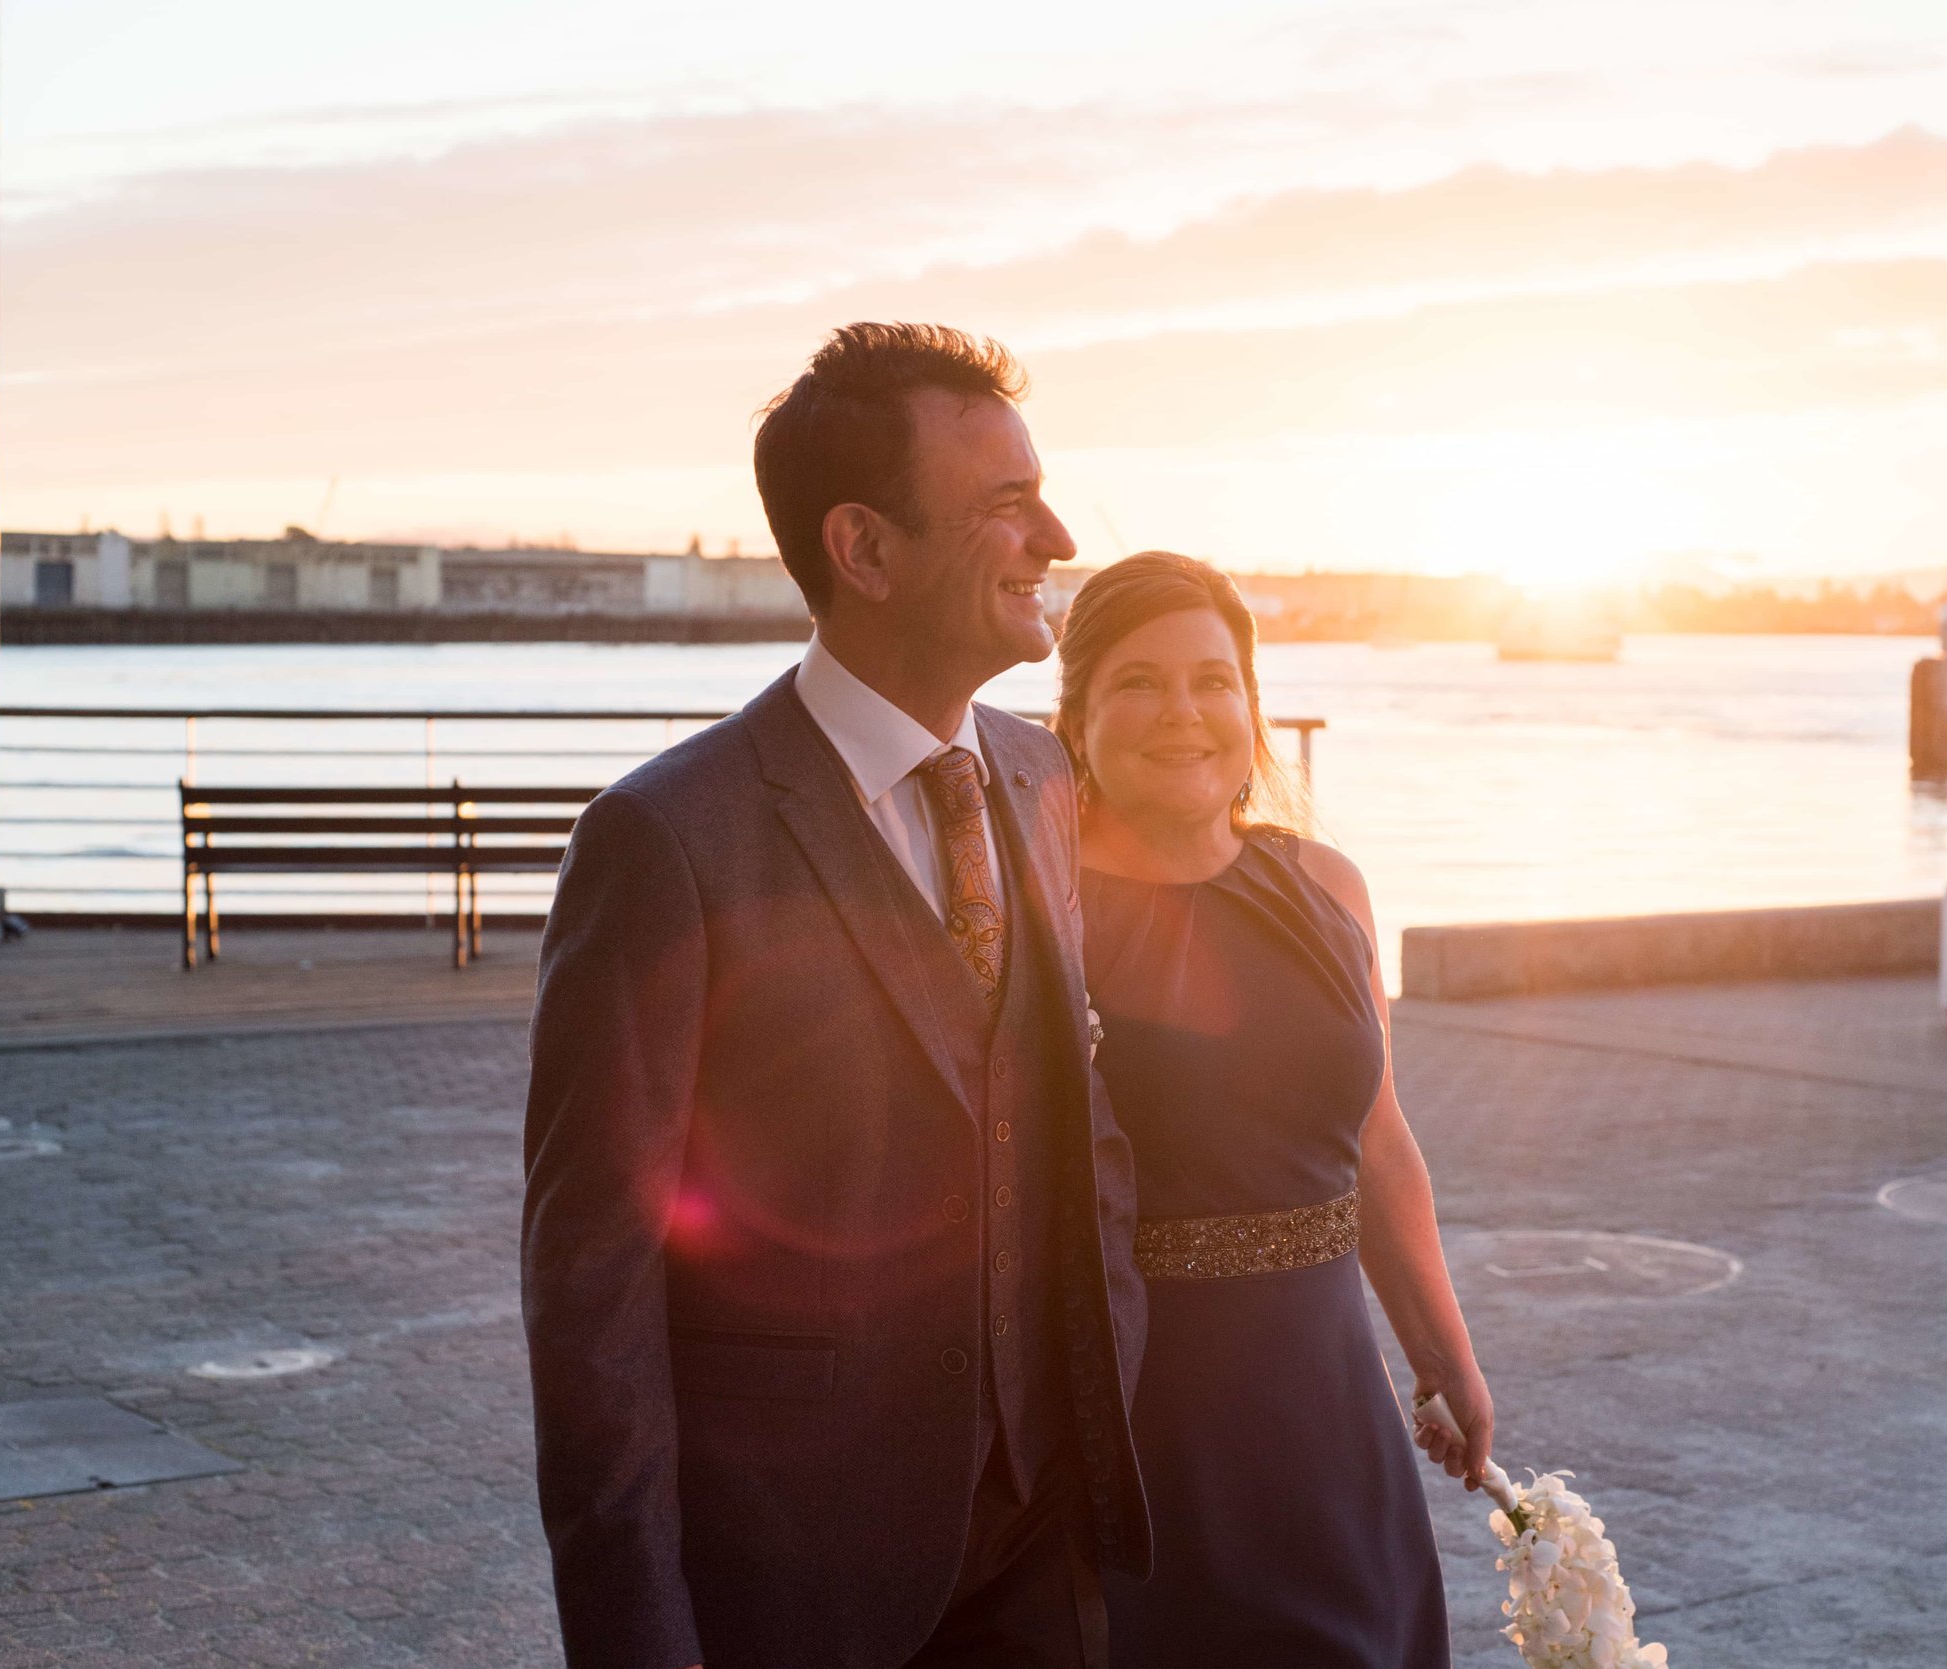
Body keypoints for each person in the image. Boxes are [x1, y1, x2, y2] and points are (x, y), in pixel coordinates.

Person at [521, 323, 1149, 1669]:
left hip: (1042, 1552)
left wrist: (1097, 1409)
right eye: (1004, 506)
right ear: (862, 550)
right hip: (790, 1579)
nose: (1055, 536)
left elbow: (1070, 1127)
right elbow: (594, 1289)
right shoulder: (668, 841)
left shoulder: (1040, 778)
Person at [1052, 551, 1493, 1668]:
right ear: (1078, 712)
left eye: (1213, 680)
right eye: (1138, 682)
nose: (1183, 713)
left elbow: (1379, 1142)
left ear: (1249, 703)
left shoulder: (1325, 884)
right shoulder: (1034, 903)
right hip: (1148, 1409)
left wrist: (1442, 1350)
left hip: (1328, 1394)